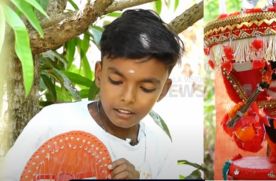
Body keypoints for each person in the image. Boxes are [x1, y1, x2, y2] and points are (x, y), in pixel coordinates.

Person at [1, 9, 184, 180]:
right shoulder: (52, 122)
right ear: (99, 74)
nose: (128, 97)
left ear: (164, 90)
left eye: (146, 88)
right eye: (116, 81)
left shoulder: (160, 151)